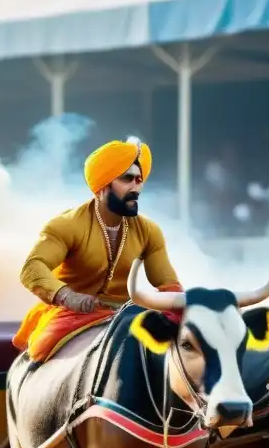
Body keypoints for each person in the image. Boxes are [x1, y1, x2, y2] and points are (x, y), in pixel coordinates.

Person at [13, 137, 183, 362]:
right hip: (71, 315)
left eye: (139, 180)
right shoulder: (67, 225)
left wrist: (187, 307)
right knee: (41, 357)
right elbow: (32, 268)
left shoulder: (149, 231)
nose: (136, 187)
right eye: (127, 179)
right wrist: (67, 296)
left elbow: (168, 285)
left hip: (128, 316)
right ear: (102, 188)